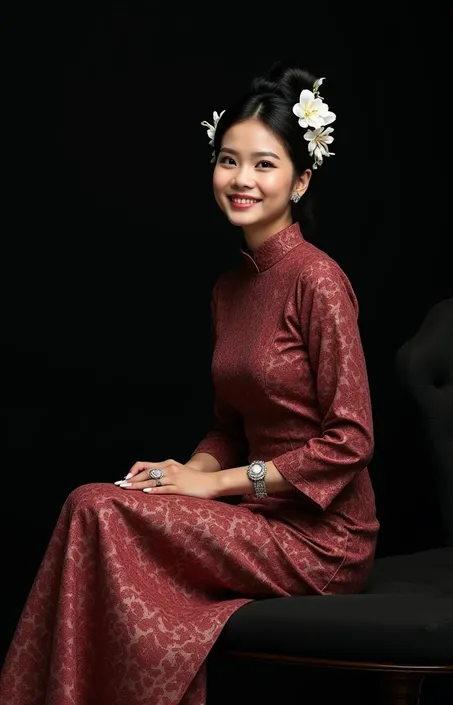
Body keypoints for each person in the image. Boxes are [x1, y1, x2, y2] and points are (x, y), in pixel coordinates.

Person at [0, 62, 379, 705]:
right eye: (229, 161)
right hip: (256, 517)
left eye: (264, 164)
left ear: (301, 178)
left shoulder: (318, 279)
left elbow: (351, 440)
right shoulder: (228, 290)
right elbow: (229, 426)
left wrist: (212, 487)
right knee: (100, 501)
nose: (242, 180)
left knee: (95, 507)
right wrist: (184, 468)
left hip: (322, 540)